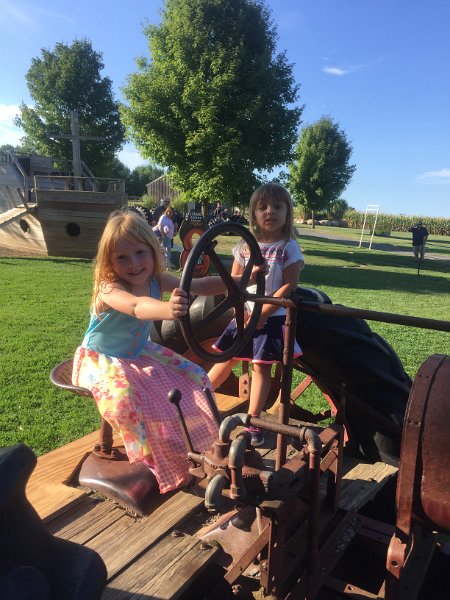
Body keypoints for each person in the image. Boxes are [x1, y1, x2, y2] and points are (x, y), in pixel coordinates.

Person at [72, 209, 263, 494]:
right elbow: (137, 307)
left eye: (140, 253)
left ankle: (199, 445)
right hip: (103, 360)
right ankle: (153, 460)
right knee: (125, 399)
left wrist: (241, 282)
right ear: (109, 261)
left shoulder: (156, 280)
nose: (133, 264)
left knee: (194, 376)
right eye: (122, 258)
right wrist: (168, 309)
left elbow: (200, 285)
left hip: (138, 353)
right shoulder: (108, 288)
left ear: (152, 251)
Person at [208, 183, 305, 447]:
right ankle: (199, 400)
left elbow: (289, 285)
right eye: (262, 207)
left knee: (260, 367)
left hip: (272, 317)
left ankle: (253, 421)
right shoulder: (244, 245)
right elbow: (234, 281)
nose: (269, 212)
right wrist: (242, 311)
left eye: (277, 206)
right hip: (245, 313)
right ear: (253, 214)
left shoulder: (288, 247)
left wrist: (263, 313)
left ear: (287, 212)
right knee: (226, 357)